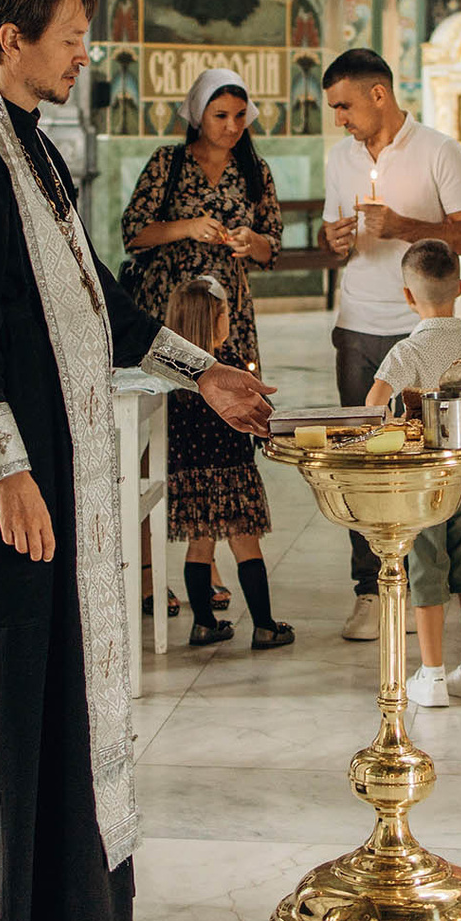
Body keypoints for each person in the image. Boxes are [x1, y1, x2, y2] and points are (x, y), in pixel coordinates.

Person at [0, 0, 273, 921]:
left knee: (56, 673)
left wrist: (203, 373)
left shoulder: (37, 148)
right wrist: (10, 473)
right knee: (8, 666)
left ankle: (63, 893)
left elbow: (101, 305)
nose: (83, 51)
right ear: (7, 39)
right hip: (9, 478)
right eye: (68, 34)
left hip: (61, 461)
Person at [321, 47, 461, 641]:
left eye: (344, 106)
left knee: (429, 460)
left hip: (425, 330)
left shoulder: (439, 151)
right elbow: (330, 235)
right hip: (357, 323)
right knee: (360, 460)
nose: (339, 119)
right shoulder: (340, 157)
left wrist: (407, 227)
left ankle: (431, 585)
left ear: (378, 94)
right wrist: (333, 237)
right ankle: (369, 588)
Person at [118, 67, 286, 642]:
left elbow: (273, 246)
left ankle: (205, 565)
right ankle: (152, 573)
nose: (233, 127)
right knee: (166, 438)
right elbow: (133, 232)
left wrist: (248, 241)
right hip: (170, 314)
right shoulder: (168, 163)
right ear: (197, 115)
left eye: (242, 116)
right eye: (221, 116)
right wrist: (188, 226)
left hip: (227, 317)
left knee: (224, 425)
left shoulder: (253, 170)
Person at [367, 241, 461, 705]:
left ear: (408, 296)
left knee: (426, 568)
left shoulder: (407, 352)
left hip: (423, 484)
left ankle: (434, 674)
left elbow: (372, 404)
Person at [155, 274, 292, 648]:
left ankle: (203, 623)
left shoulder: (172, 377)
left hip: (190, 477)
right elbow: (262, 415)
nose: (230, 320)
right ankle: (264, 625)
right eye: (226, 314)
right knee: (247, 547)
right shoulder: (227, 369)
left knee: (198, 547)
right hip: (233, 475)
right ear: (215, 321)